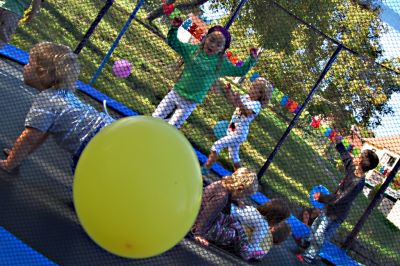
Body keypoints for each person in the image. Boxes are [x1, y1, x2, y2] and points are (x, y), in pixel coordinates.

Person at [0, 42, 114, 174]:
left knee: (90, 175)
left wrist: (9, 164)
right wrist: (18, 155)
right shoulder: (63, 95)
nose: (25, 66)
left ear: (41, 73)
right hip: (107, 129)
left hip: (93, 143)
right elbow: (41, 133)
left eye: (29, 64)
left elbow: (30, 138)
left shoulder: (47, 101)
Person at [152, 16, 259, 128]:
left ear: (222, 49)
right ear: (206, 38)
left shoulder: (221, 64)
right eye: (211, 40)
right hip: (175, 93)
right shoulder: (192, 50)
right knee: (155, 117)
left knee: (172, 127)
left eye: (218, 44)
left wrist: (251, 60)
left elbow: (240, 71)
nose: (213, 45)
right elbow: (174, 43)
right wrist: (174, 28)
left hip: (190, 103)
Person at [296, 136, 379, 264]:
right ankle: (307, 243)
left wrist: (322, 197)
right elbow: (346, 158)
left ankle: (308, 256)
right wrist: (339, 144)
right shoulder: (354, 169)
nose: (355, 157)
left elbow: (340, 199)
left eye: (359, 156)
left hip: (336, 214)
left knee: (320, 235)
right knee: (316, 225)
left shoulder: (358, 183)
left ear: (361, 162)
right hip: (329, 208)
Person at [201, 77, 273, 175]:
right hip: (232, 130)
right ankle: (240, 177)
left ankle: (206, 168)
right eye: (252, 85)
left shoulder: (256, 104)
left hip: (239, 134)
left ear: (260, 94)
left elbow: (246, 112)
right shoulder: (246, 97)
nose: (251, 87)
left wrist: (239, 101)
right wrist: (229, 91)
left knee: (217, 146)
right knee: (234, 157)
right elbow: (234, 102)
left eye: (254, 87)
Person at [191, 168, 261, 260]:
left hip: (209, 217)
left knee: (233, 220)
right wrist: (198, 234)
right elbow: (206, 215)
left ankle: (246, 247)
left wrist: (236, 199)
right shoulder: (222, 197)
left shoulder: (222, 184)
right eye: (245, 195)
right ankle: (245, 252)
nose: (243, 198)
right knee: (232, 233)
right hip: (201, 225)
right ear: (239, 188)